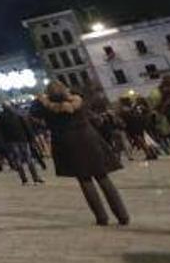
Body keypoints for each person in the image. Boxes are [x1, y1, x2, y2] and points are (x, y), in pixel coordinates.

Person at [30, 82, 130, 226]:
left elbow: (33, 114)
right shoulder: (78, 101)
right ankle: (123, 215)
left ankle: (101, 217)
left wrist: (41, 99)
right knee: (103, 177)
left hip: (68, 143)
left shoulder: (46, 108)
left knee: (85, 180)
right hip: (89, 139)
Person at [0, 104, 43, 184]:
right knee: (29, 158)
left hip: (10, 141)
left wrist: (4, 142)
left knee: (17, 159)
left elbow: (0, 132)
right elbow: (26, 127)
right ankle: (35, 177)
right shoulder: (18, 115)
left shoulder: (0, 118)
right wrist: (31, 138)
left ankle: (24, 179)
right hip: (22, 139)